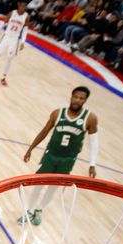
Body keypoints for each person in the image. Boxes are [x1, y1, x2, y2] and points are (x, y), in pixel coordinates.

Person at [20, 86, 99, 226]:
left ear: (85, 101)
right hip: (51, 155)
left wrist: (92, 164)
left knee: (53, 187)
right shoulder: (58, 113)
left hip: (68, 160)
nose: (77, 100)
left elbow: (93, 142)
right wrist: (30, 149)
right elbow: (44, 132)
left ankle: (39, 210)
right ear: (71, 96)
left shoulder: (90, 118)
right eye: (75, 97)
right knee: (38, 185)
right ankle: (28, 211)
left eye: (81, 98)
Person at [0, 0, 29, 86]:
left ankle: (3, 77)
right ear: (19, 6)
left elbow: (25, 30)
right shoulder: (12, 13)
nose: (23, 8)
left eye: (25, 6)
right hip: (6, 36)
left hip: (15, 39)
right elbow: (3, 23)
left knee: (9, 58)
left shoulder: (26, 16)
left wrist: (23, 41)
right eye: (22, 6)